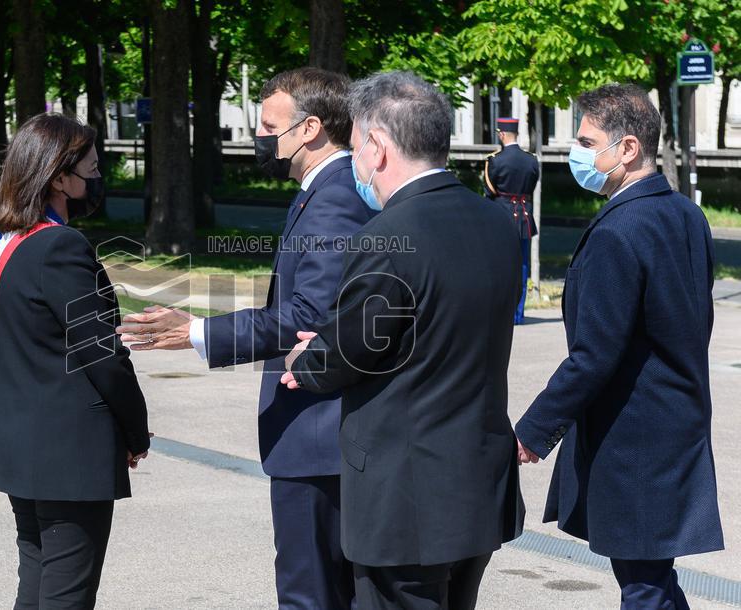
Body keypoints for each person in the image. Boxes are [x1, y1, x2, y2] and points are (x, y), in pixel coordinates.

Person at [116, 67, 374, 609]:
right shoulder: (324, 189)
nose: (258, 136)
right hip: (318, 434)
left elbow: (308, 313)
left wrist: (199, 332)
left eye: (267, 125)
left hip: (318, 435)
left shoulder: (335, 194)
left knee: (311, 594)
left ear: (308, 129)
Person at [280, 71, 525, 610]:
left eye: (359, 148)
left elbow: (351, 349)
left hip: (407, 496)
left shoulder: (384, 238)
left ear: (379, 147)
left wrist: (308, 358)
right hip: (476, 480)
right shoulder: (496, 224)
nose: (357, 164)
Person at [514, 83, 723, 610]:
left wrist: (536, 430)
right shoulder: (685, 214)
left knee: (643, 586)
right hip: (674, 423)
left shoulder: (620, 230)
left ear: (628, 148)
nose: (576, 153)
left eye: (586, 141)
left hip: (633, 439)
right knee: (651, 578)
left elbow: (594, 354)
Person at [0, 113, 151, 609]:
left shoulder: (7, 242)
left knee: (37, 585)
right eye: (92, 168)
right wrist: (135, 431)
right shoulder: (60, 245)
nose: (97, 178)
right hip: (68, 452)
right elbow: (102, 355)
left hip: (25, 443)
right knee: (66, 595)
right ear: (59, 177)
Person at [482, 116, 540, 324]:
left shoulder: (494, 160)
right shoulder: (531, 159)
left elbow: (489, 191)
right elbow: (531, 186)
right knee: (522, 266)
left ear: (501, 134)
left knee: (499, 265)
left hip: (500, 217)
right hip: (524, 216)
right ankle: (518, 313)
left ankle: (502, 312)